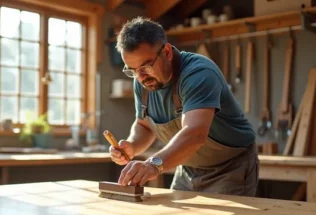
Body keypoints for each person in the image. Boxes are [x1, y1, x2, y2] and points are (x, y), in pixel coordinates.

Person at [109, 17, 259, 196]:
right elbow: (144, 125)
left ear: (167, 52)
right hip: (187, 167)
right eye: (132, 70)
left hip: (230, 168)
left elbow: (194, 133)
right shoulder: (142, 83)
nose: (140, 77)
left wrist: (153, 164)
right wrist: (132, 145)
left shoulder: (198, 73)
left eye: (146, 66)